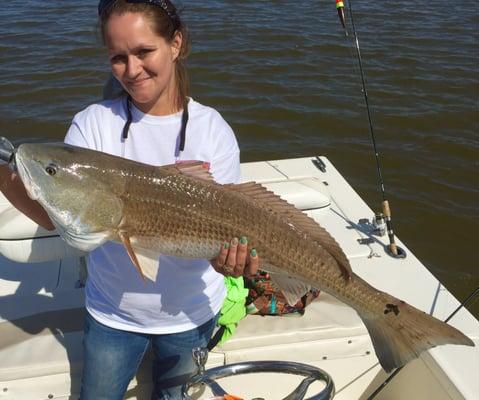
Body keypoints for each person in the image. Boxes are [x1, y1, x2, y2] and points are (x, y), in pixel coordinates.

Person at [0, 0, 259, 398]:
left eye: (143, 52)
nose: (132, 69)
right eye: (118, 58)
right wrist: (4, 173)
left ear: (175, 43)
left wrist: (233, 264)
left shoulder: (213, 131)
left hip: (190, 315)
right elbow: (59, 216)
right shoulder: (92, 125)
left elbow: (228, 229)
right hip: (111, 315)